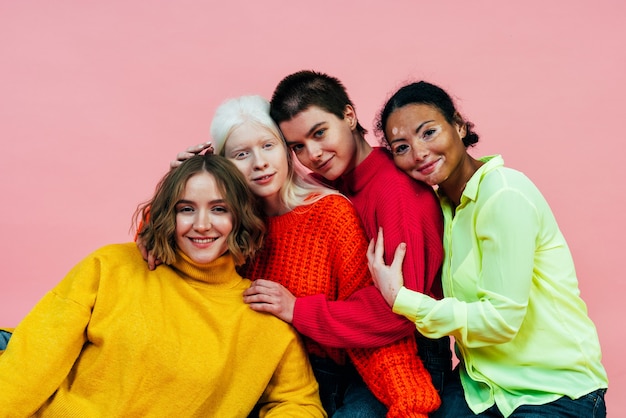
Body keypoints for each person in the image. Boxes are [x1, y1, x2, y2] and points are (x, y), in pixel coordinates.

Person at [167, 95, 441, 417]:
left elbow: (372, 321)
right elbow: (169, 254)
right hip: (258, 378)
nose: (259, 163)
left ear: (286, 150)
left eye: (268, 146)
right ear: (224, 164)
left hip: (338, 376)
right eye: (241, 154)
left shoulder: (330, 213)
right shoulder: (228, 222)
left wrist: (409, 402)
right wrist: (180, 183)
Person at [0, 154, 325, 417]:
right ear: (168, 214)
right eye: (186, 209)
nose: (201, 225)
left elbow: (300, 404)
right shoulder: (110, 266)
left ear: (239, 217)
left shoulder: (264, 321)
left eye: (218, 209)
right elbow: (32, 359)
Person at [367, 80, 609, 417]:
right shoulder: (442, 208)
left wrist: (401, 299)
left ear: (459, 125)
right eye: (401, 147)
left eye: (428, 132)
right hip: (481, 388)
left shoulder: (503, 194)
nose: (419, 153)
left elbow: (501, 320)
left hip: (554, 392)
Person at [267, 70, 452, 392]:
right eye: (297, 147)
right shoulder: (331, 186)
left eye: (320, 133)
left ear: (349, 116)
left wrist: (297, 309)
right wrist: (194, 173)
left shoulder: (397, 192)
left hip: (407, 355)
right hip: (350, 349)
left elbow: (399, 311)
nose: (313, 154)